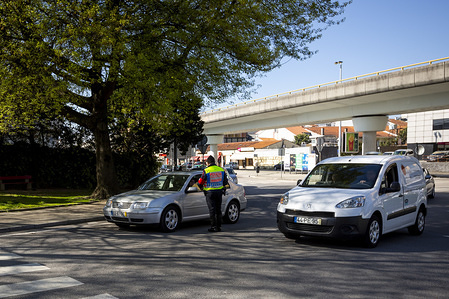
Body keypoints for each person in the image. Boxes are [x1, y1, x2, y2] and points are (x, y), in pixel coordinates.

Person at [198, 156, 228, 232]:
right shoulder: (221, 169)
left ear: (207, 163)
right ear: (214, 162)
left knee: (212, 210)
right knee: (218, 209)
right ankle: (219, 226)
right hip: (219, 192)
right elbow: (225, 182)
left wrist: (200, 186)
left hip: (210, 193)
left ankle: (213, 226)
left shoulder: (206, 170)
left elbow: (201, 181)